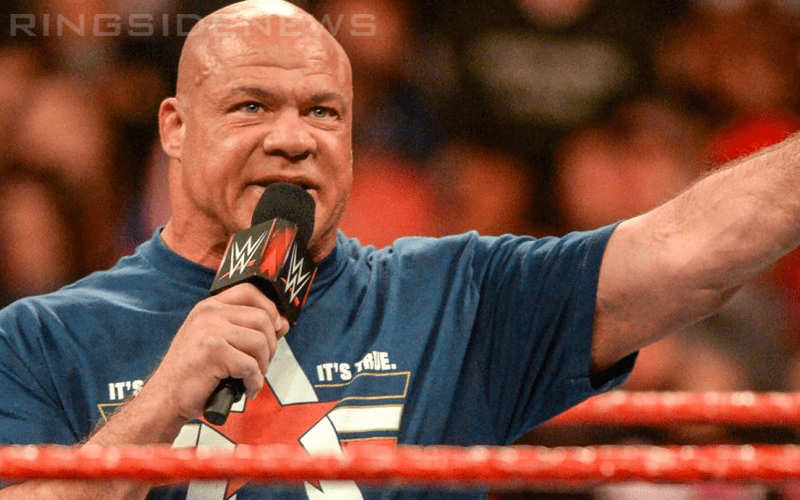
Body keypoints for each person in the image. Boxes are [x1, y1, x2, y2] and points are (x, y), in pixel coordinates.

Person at [0, 2, 799, 500]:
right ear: (175, 127)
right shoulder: (43, 336)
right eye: (252, 106)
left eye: (324, 112)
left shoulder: (456, 296)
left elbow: (689, 252)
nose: (293, 138)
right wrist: (162, 402)